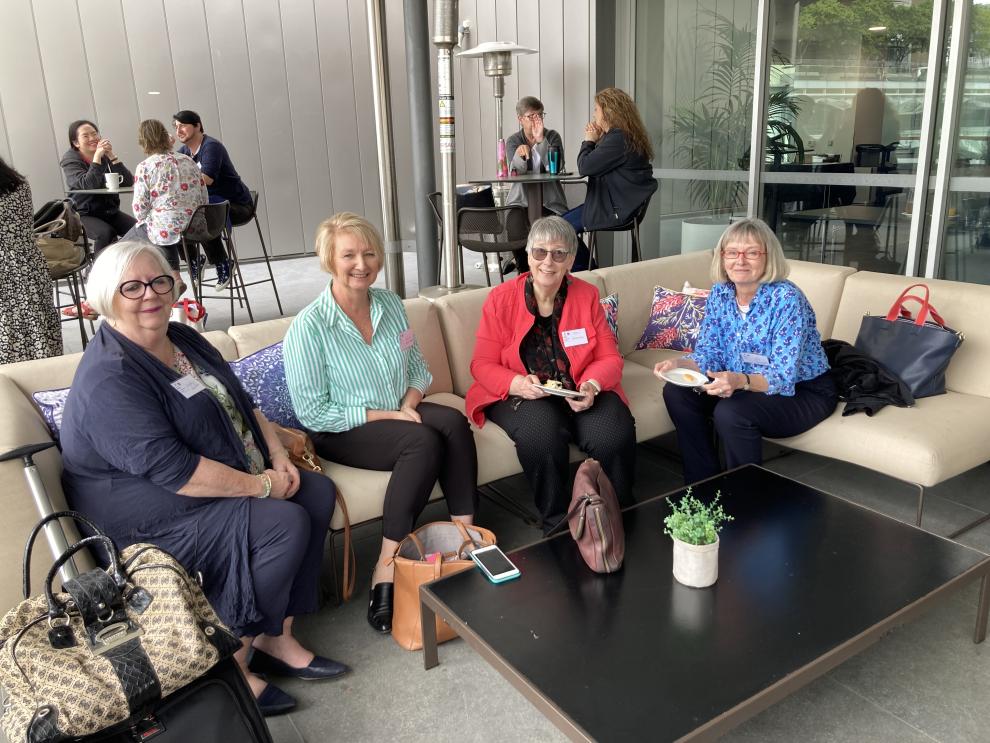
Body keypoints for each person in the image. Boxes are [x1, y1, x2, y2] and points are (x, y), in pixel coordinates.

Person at [59, 241, 346, 717]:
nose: (149, 294)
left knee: (315, 490)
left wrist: (279, 456)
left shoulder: (182, 337)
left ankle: (277, 636)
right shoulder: (110, 377)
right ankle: (228, 658)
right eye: (132, 287)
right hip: (145, 515)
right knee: (281, 522)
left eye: (160, 281)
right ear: (107, 297)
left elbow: (241, 398)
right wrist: (262, 486)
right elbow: (176, 471)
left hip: (209, 479)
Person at [283, 212, 477, 635]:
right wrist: (392, 415)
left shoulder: (389, 304)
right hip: (341, 427)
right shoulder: (309, 328)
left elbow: (417, 368)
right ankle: (386, 566)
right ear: (329, 260)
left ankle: (466, 539)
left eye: (369, 253)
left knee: (453, 424)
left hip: (397, 409)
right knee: (422, 442)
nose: (361, 263)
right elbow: (313, 411)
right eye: (349, 254)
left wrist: (410, 400)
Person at [466, 216, 636, 535]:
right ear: (528, 255)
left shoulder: (585, 296)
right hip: (522, 392)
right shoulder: (500, 300)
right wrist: (516, 383)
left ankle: (618, 513)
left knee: (614, 429)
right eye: (540, 252)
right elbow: (481, 364)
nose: (548, 261)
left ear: (571, 259)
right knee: (541, 432)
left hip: (577, 389)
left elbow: (610, 357)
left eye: (559, 254)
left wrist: (593, 384)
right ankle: (556, 524)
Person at [654, 218, 838, 485]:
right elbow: (709, 350)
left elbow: (783, 376)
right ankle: (703, 484)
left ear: (768, 257)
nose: (740, 260)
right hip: (742, 382)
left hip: (803, 391)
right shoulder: (721, 293)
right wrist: (681, 363)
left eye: (751, 252)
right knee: (678, 393)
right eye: (732, 252)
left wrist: (740, 381)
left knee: (731, 412)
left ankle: (746, 500)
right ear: (722, 257)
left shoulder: (786, 300)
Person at [562, 87, 658, 270]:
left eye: (596, 109)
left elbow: (585, 167)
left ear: (608, 112)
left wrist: (589, 140)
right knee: (557, 226)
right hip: (618, 205)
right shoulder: (623, 137)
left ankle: (588, 275)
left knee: (559, 230)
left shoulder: (618, 139)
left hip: (614, 209)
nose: (594, 114)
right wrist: (597, 140)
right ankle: (588, 273)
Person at [173, 110, 253, 290]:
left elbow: (207, 179)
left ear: (197, 126)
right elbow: (172, 173)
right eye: (176, 127)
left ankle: (223, 263)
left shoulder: (211, 146)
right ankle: (194, 260)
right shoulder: (184, 151)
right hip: (210, 204)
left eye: (183, 125)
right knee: (173, 217)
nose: (179, 131)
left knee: (203, 213)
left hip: (236, 205)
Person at [129, 119, 208, 288]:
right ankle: (174, 277)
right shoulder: (188, 160)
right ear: (166, 137)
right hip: (197, 226)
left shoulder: (145, 167)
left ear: (143, 142)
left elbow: (139, 208)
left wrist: (147, 217)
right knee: (163, 224)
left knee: (124, 245)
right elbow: (204, 196)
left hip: (169, 228)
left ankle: (165, 282)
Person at [0, 156, 62, 363]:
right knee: (39, 323)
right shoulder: (19, 185)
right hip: (30, 263)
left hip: (6, 270)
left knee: (8, 332)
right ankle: (44, 375)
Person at [505, 96, 569, 275]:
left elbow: (556, 167)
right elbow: (516, 172)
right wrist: (519, 156)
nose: (537, 120)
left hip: (550, 200)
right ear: (520, 119)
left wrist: (541, 142)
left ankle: (550, 272)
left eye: (540, 115)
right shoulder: (513, 141)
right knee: (514, 226)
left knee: (552, 233)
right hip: (520, 201)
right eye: (531, 116)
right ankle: (523, 272)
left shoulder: (552, 136)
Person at [60, 119, 136, 252]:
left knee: (139, 229)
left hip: (109, 211)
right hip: (83, 213)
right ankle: (98, 270)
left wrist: (111, 155)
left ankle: (124, 263)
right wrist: (97, 158)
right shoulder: (70, 160)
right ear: (76, 142)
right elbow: (88, 184)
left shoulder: (104, 155)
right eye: (86, 136)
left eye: (94, 134)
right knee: (105, 233)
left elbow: (128, 181)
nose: (92, 138)